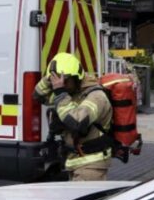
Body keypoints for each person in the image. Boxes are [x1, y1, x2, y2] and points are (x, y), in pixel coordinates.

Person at [33, 52, 113, 181]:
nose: (62, 83)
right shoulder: (71, 92)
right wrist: (49, 78)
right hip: (75, 162)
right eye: (59, 79)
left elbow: (77, 122)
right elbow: (38, 96)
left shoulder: (96, 96)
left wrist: (60, 93)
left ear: (77, 77)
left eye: (66, 79)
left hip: (90, 165)